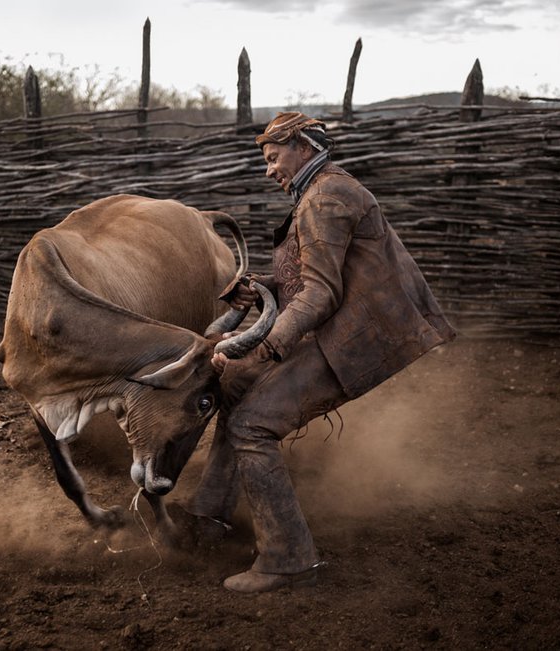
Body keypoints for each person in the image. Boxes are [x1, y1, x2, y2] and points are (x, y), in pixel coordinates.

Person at [187, 111, 456, 593]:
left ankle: (289, 557)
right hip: (342, 330)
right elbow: (313, 279)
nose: (269, 170)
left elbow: (320, 294)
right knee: (237, 390)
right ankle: (208, 515)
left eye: (274, 158)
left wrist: (263, 343)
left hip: (353, 338)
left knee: (252, 423)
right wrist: (261, 287)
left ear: (304, 148)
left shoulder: (326, 197)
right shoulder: (319, 191)